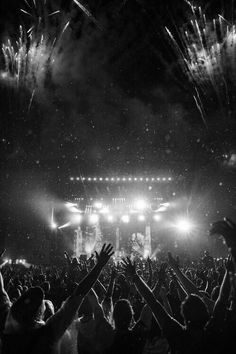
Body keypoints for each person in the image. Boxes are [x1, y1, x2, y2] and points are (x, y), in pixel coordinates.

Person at [0, 244, 114, 354]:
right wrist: (99, 266)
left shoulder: (7, 320)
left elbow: (1, 292)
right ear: (40, 311)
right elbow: (79, 293)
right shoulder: (48, 333)